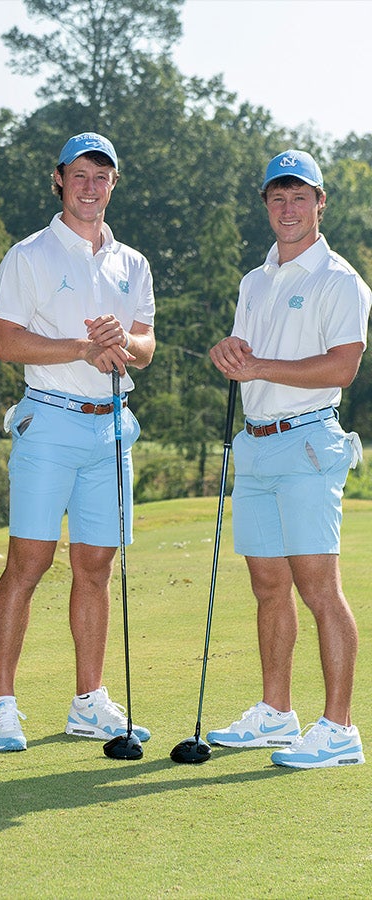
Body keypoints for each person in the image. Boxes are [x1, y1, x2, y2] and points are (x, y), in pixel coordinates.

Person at [0, 132, 155, 752]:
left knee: (96, 564)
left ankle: (89, 700)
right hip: (49, 421)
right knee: (28, 562)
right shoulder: (28, 256)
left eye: (101, 177)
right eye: (80, 175)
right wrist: (83, 347)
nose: (90, 186)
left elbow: (145, 349)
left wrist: (120, 343)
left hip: (110, 424)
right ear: (59, 179)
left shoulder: (131, 263)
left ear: (114, 184)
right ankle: (2, 705)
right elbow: (7, 342)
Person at [206, 149, 368, 768]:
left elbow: (342, 367)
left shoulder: (340, 281)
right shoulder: (255, 280)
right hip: (256, 442)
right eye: (278, 197)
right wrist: (231, 352)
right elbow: (248, 354)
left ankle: (340, 728)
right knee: (268, 584)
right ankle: (277, 713)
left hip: (306, 441)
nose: (289, 207)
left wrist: (259, 367)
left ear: (321, 205)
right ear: (267, 207)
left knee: (317, 587)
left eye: (301, 197)